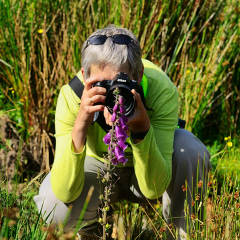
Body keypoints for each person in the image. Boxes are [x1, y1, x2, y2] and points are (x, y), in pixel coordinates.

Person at [34, 25, 211, 239]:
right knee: (52, 203)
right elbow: (64, 193)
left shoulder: (161, 90)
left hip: (146, 169)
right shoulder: (72, 96)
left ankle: (182, 233)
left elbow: (153, 189)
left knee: (189, 148)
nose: (114, 96)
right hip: (98, 170)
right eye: (103, 85)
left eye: (121, 84)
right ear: (84, 75)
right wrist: (80, 123)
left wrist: (142, 130)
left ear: (139, 74)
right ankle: (92, 230)